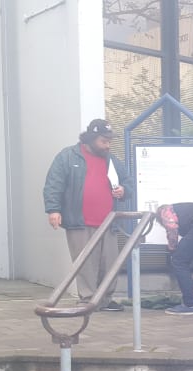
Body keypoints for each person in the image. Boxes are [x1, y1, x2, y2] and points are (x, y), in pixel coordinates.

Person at [43, 118, 132, 311]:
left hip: (109, 223)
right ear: (91, 139)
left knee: (110, 263)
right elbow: (54, 184)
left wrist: (124, 190)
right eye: (104, 141)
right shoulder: (67, 157)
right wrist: (53, 210)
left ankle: (105, 299)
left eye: (109, 141)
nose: (108, 145)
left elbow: (128, 182)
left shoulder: (112, 160)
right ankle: (88, 299)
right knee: (85, 264)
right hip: (79, 222)